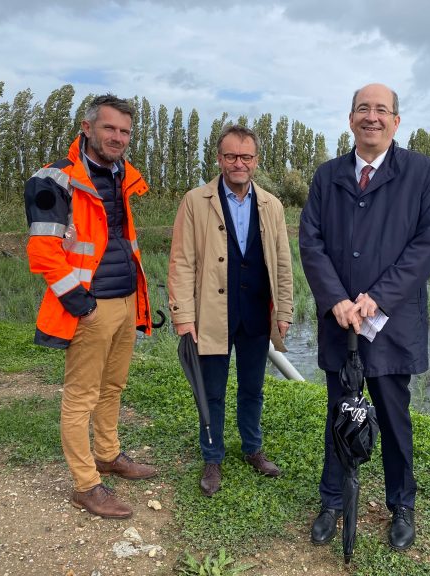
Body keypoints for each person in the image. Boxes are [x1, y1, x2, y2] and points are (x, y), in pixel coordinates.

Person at [299, 83, 430, 551]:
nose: (372, 116)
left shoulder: (422, 173)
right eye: (364, 108)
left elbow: (428, 245)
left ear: (397, 122)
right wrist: (336, 298)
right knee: (339, 411)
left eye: (382, 110)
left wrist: (377, 298)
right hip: (341, 321)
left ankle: (402, 504)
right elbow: (312, 241)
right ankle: (333, 501)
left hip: (391, 322)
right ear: (350, 119)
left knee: (393, 414)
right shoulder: (328, 176)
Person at [24, 94, 157, 520]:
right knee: (81, 397)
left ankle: (108, 454)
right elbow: (44, 253)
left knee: (113, 388)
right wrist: (82, 305)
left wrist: (133, 298)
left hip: (124, 301)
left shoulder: (122, 178)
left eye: (125, 131)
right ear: (87, 127)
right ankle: (86, 485)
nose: (118, 137)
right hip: (91, 308)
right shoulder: (54, 180)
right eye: (109, 128)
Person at [168, 124, 293, 498]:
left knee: (253, 388)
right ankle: (213, 457)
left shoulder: (272, 204)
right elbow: (182, 262)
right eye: (231, 156)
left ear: (256, 161)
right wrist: (183, 317)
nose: (239, 163)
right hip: (211, 314)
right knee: (212, 391)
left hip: (256, 313)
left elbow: (283, 263)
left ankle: (253, 449)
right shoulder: (195, 201)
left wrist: (283, 310)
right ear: (219, 159)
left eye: (246, 156)